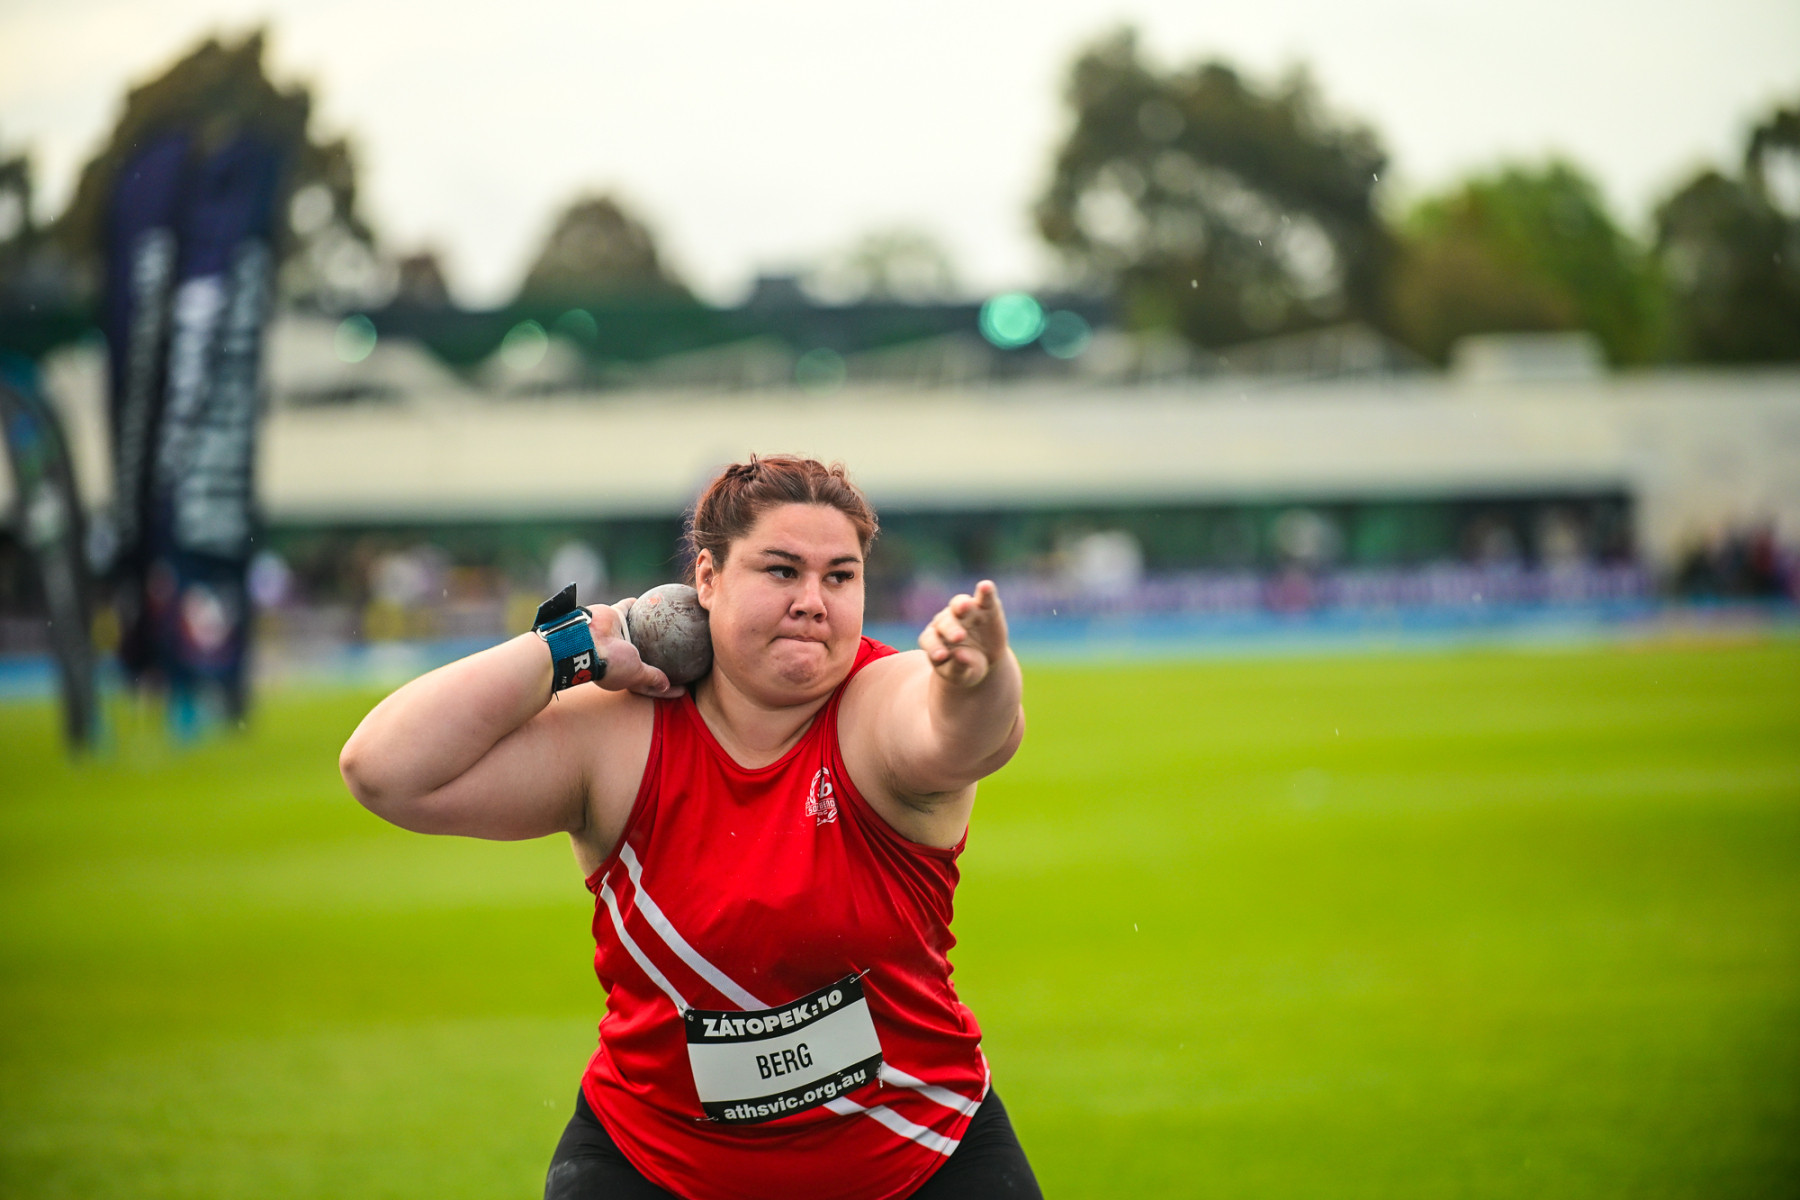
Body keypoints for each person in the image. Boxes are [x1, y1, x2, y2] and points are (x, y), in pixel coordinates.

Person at [339, 455, 1040, 1200]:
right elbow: (384, 770)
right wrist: (570, 644)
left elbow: (967, 735)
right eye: (781, 571)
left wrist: (982, 675)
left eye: (840, 577)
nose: (812, 602)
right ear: (707, 579)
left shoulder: (875, 705)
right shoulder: (619, 733)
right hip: (652, 1163)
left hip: (919, 1155)